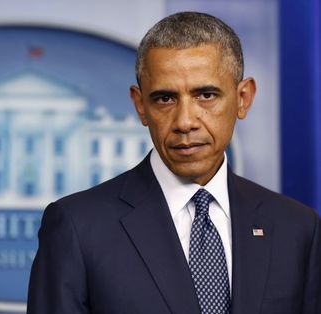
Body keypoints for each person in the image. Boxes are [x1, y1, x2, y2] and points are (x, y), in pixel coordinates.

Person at [27, 12, 320, 314]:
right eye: (165, 99)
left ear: (243, 98)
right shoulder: (77, 227)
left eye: (206, 95)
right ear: (140, 106)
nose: (184, 122)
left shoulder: (296, 229)